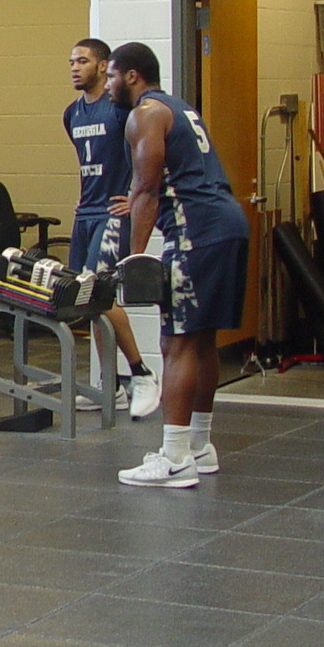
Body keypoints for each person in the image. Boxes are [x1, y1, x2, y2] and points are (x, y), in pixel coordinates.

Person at [106, 42, 250, 488]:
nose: (108, 84)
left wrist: (133, 260)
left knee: (177, 343)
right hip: (226, 223)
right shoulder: (179, 107)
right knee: (202, 340)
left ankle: (173, 458)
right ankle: (199, 447)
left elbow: (147, 189)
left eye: (111, 75)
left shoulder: (144, 113)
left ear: (131, 76)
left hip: (197, 231)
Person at [64, 39, 159, 418]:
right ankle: (111, 385)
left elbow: (145, 154)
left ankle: (140, 371)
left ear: (104, 67)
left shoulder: (120, 109)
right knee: (86, 300)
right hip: (85, 214)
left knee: (101, 294)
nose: (74, 67)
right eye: (71, 61)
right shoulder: (72, 114)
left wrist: (131, 198)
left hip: (111, 215)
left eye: (83, 61)